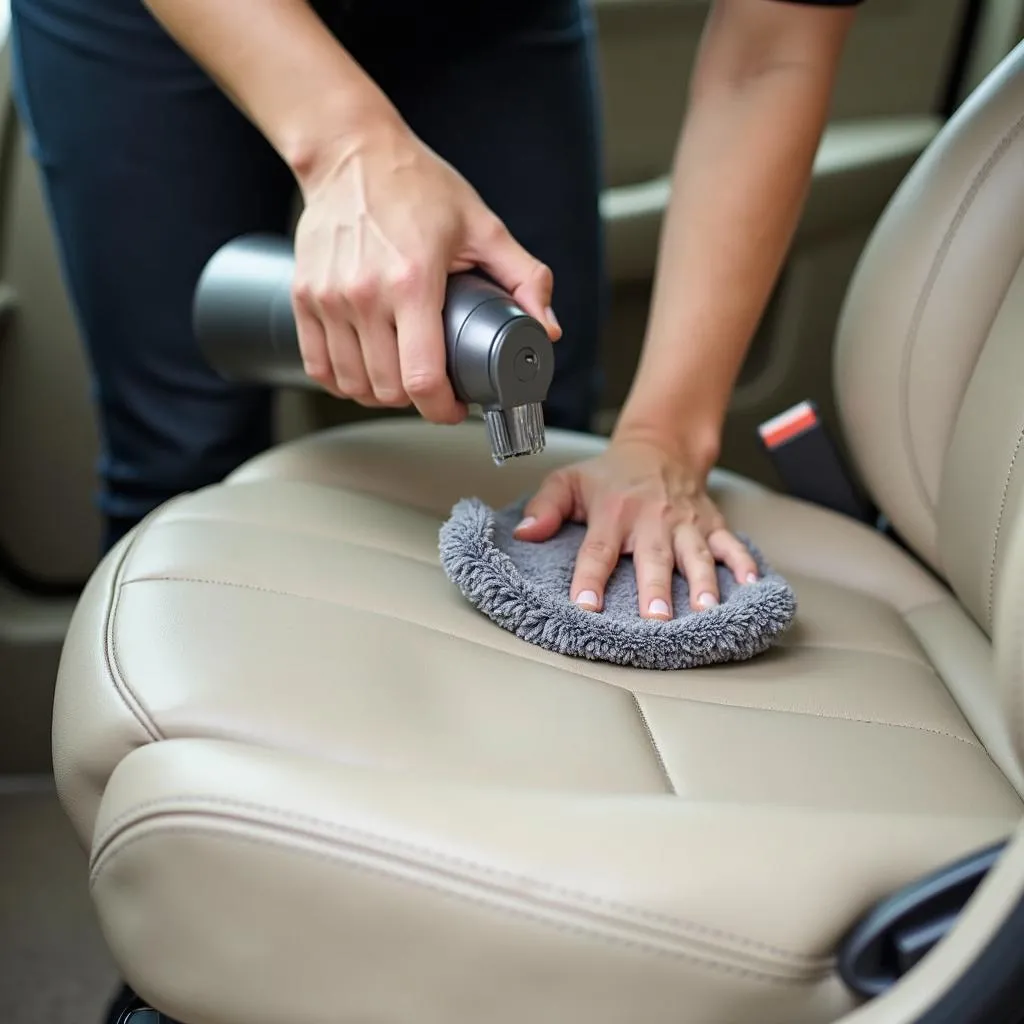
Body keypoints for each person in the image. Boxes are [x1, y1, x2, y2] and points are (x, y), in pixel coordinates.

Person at [10, 0, 859, 1021]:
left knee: (529, 468)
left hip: (485, 20)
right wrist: (349, 144)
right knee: (176, 458)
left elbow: (771, 46)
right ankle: (167, 948)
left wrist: (665, 439)